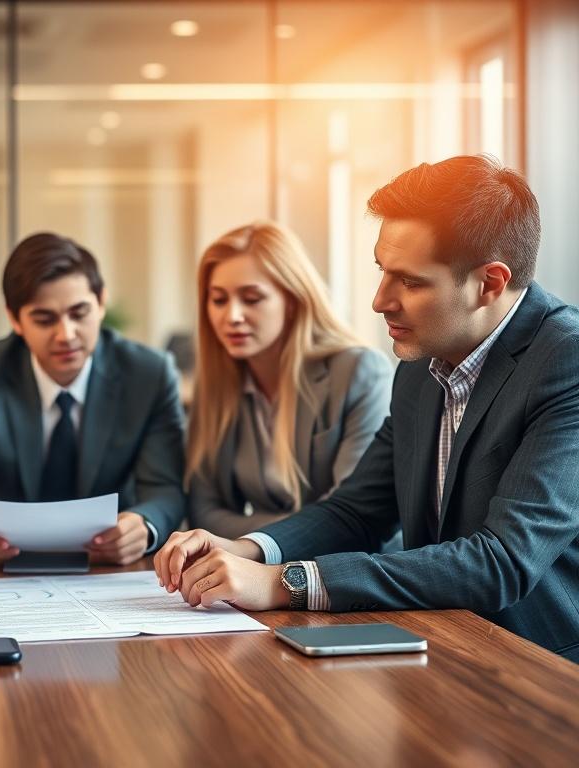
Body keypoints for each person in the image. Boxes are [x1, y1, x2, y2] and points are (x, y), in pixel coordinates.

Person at [155, 154, 579, 663]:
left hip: (538, 666)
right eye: (383, 272)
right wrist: (245, 550)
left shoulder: (565, 361)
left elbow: (501, 563)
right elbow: (357, 511)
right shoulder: (419, 365)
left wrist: (285, 581)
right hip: (433, 643)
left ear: (489, 282)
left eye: (412, 282)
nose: (380, 301)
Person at [0, 232, 186, 567]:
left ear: (102, 302)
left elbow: (165, 489)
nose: (66, 334)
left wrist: (144, 526)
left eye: (80, 313)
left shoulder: (149, 375)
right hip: (3, 568)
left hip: (111, 568)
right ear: (15, 319)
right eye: (44, 319)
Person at [188, 221, 391, 538]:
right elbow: (205, 513)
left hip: (352, 572)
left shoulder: (360, 371)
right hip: (260, 572)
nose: (232, 316)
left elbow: (354, 514)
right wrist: (286, 533)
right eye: (218, 300)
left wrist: (261, 539)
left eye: (252, 298)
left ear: (293, 301)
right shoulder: (216, 384)